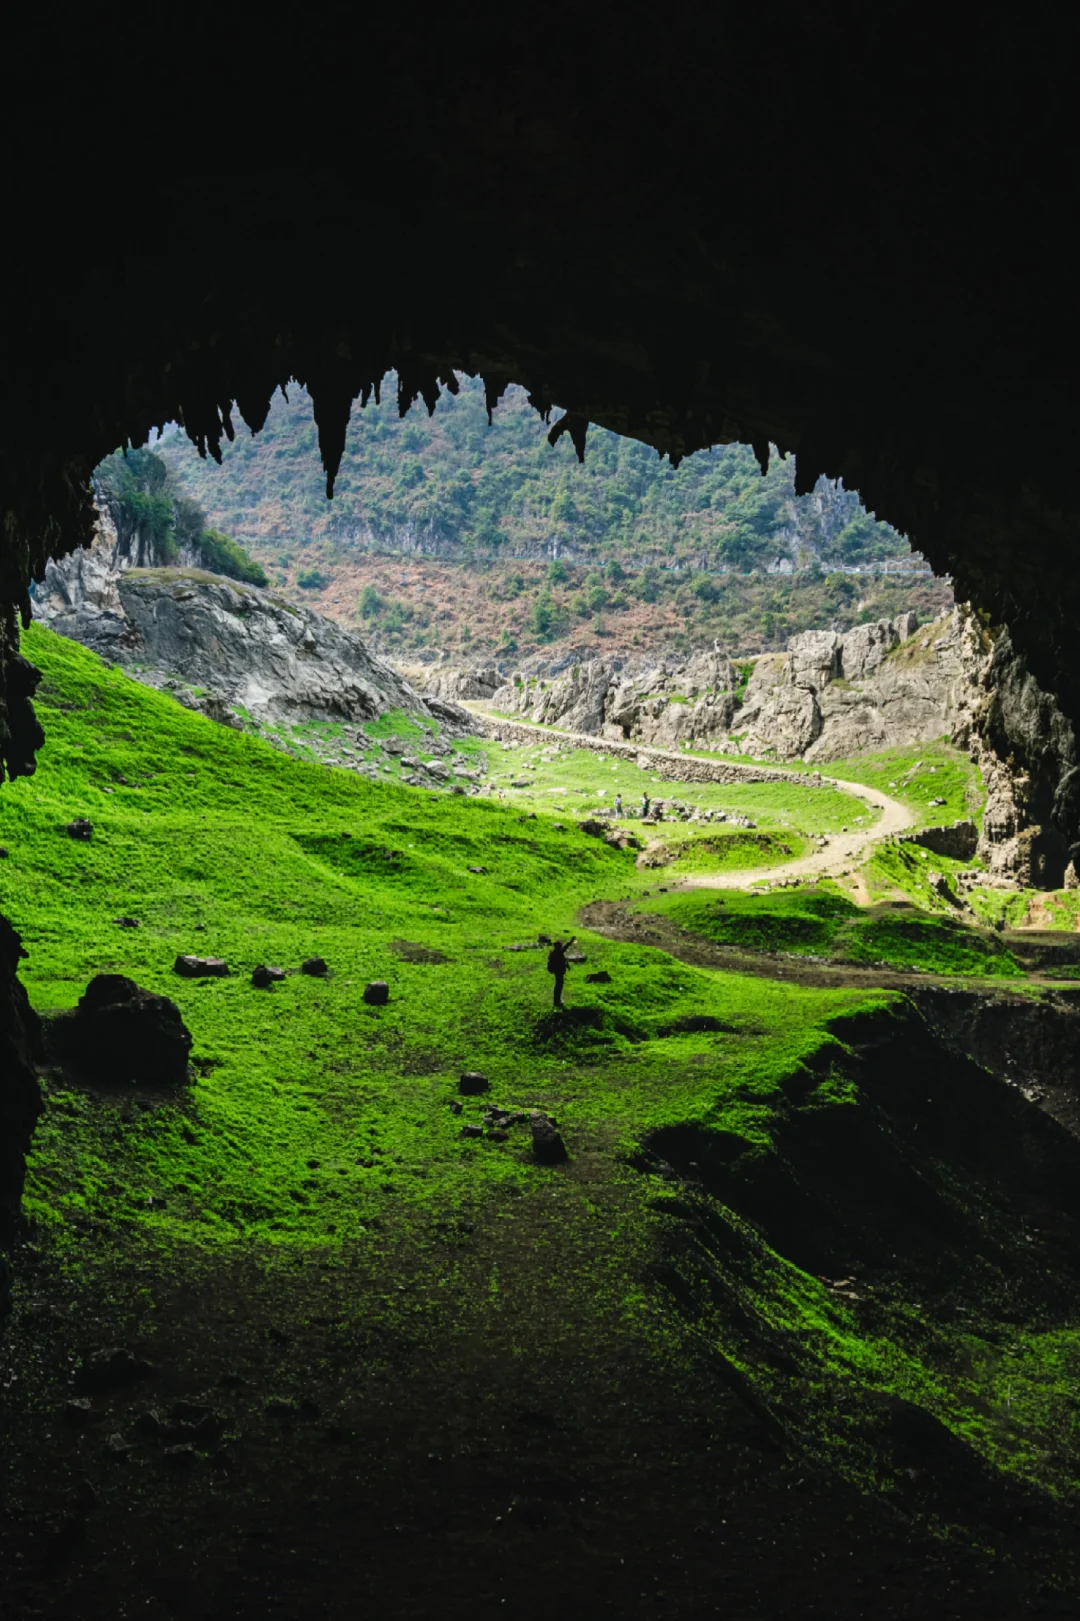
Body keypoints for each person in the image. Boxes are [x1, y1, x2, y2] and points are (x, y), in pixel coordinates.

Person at [546, 935, 576, 1008]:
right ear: (559, 947)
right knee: (558, 986)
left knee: (558, 986)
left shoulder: (556, 953)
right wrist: (571, 941)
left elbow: (563, 960)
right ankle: (557, 1002)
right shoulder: (558, 952)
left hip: (558, 972)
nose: (562, 947)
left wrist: (567, 966)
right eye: (561, 946)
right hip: (559, 972)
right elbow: (566, 947)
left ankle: (557, 1001)